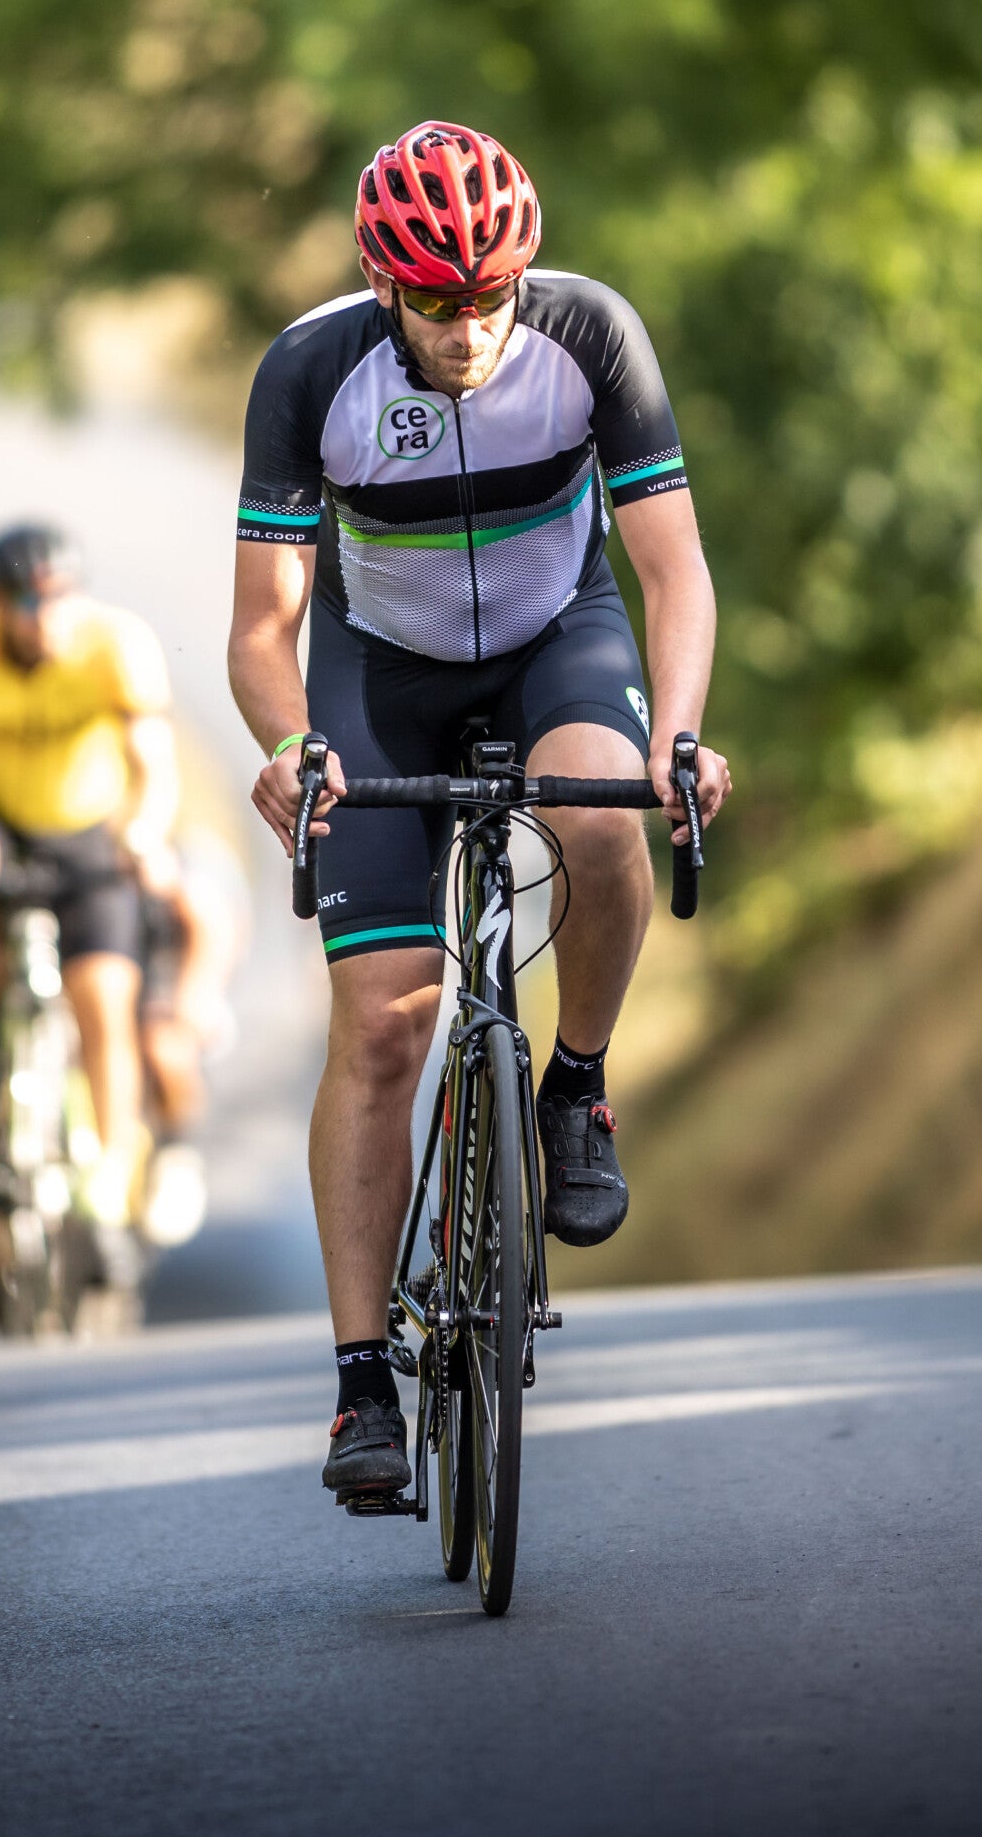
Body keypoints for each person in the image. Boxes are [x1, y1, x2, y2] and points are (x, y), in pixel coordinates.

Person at [228, 120, 731, 1499]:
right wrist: (291, 743)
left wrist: (679, 736)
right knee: (385, 1021)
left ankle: (576, 1088)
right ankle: (359, 1389)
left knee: (606, 822)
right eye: (438, 303)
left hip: (555, 635)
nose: (468, 330)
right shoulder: (309, 369)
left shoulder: (592, 336)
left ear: (526, 274)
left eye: (491, 297)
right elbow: (263, 625)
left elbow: (672, 570)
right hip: (379, 672)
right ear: (382, 283)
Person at [0, 523, 204, 1281]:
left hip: (86, 832)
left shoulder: (117, 645)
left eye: (61, 598)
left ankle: (109, 1191)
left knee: (105, 997)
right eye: (28, 603)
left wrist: (144, 832)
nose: (47, 618)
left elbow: (154, 767)